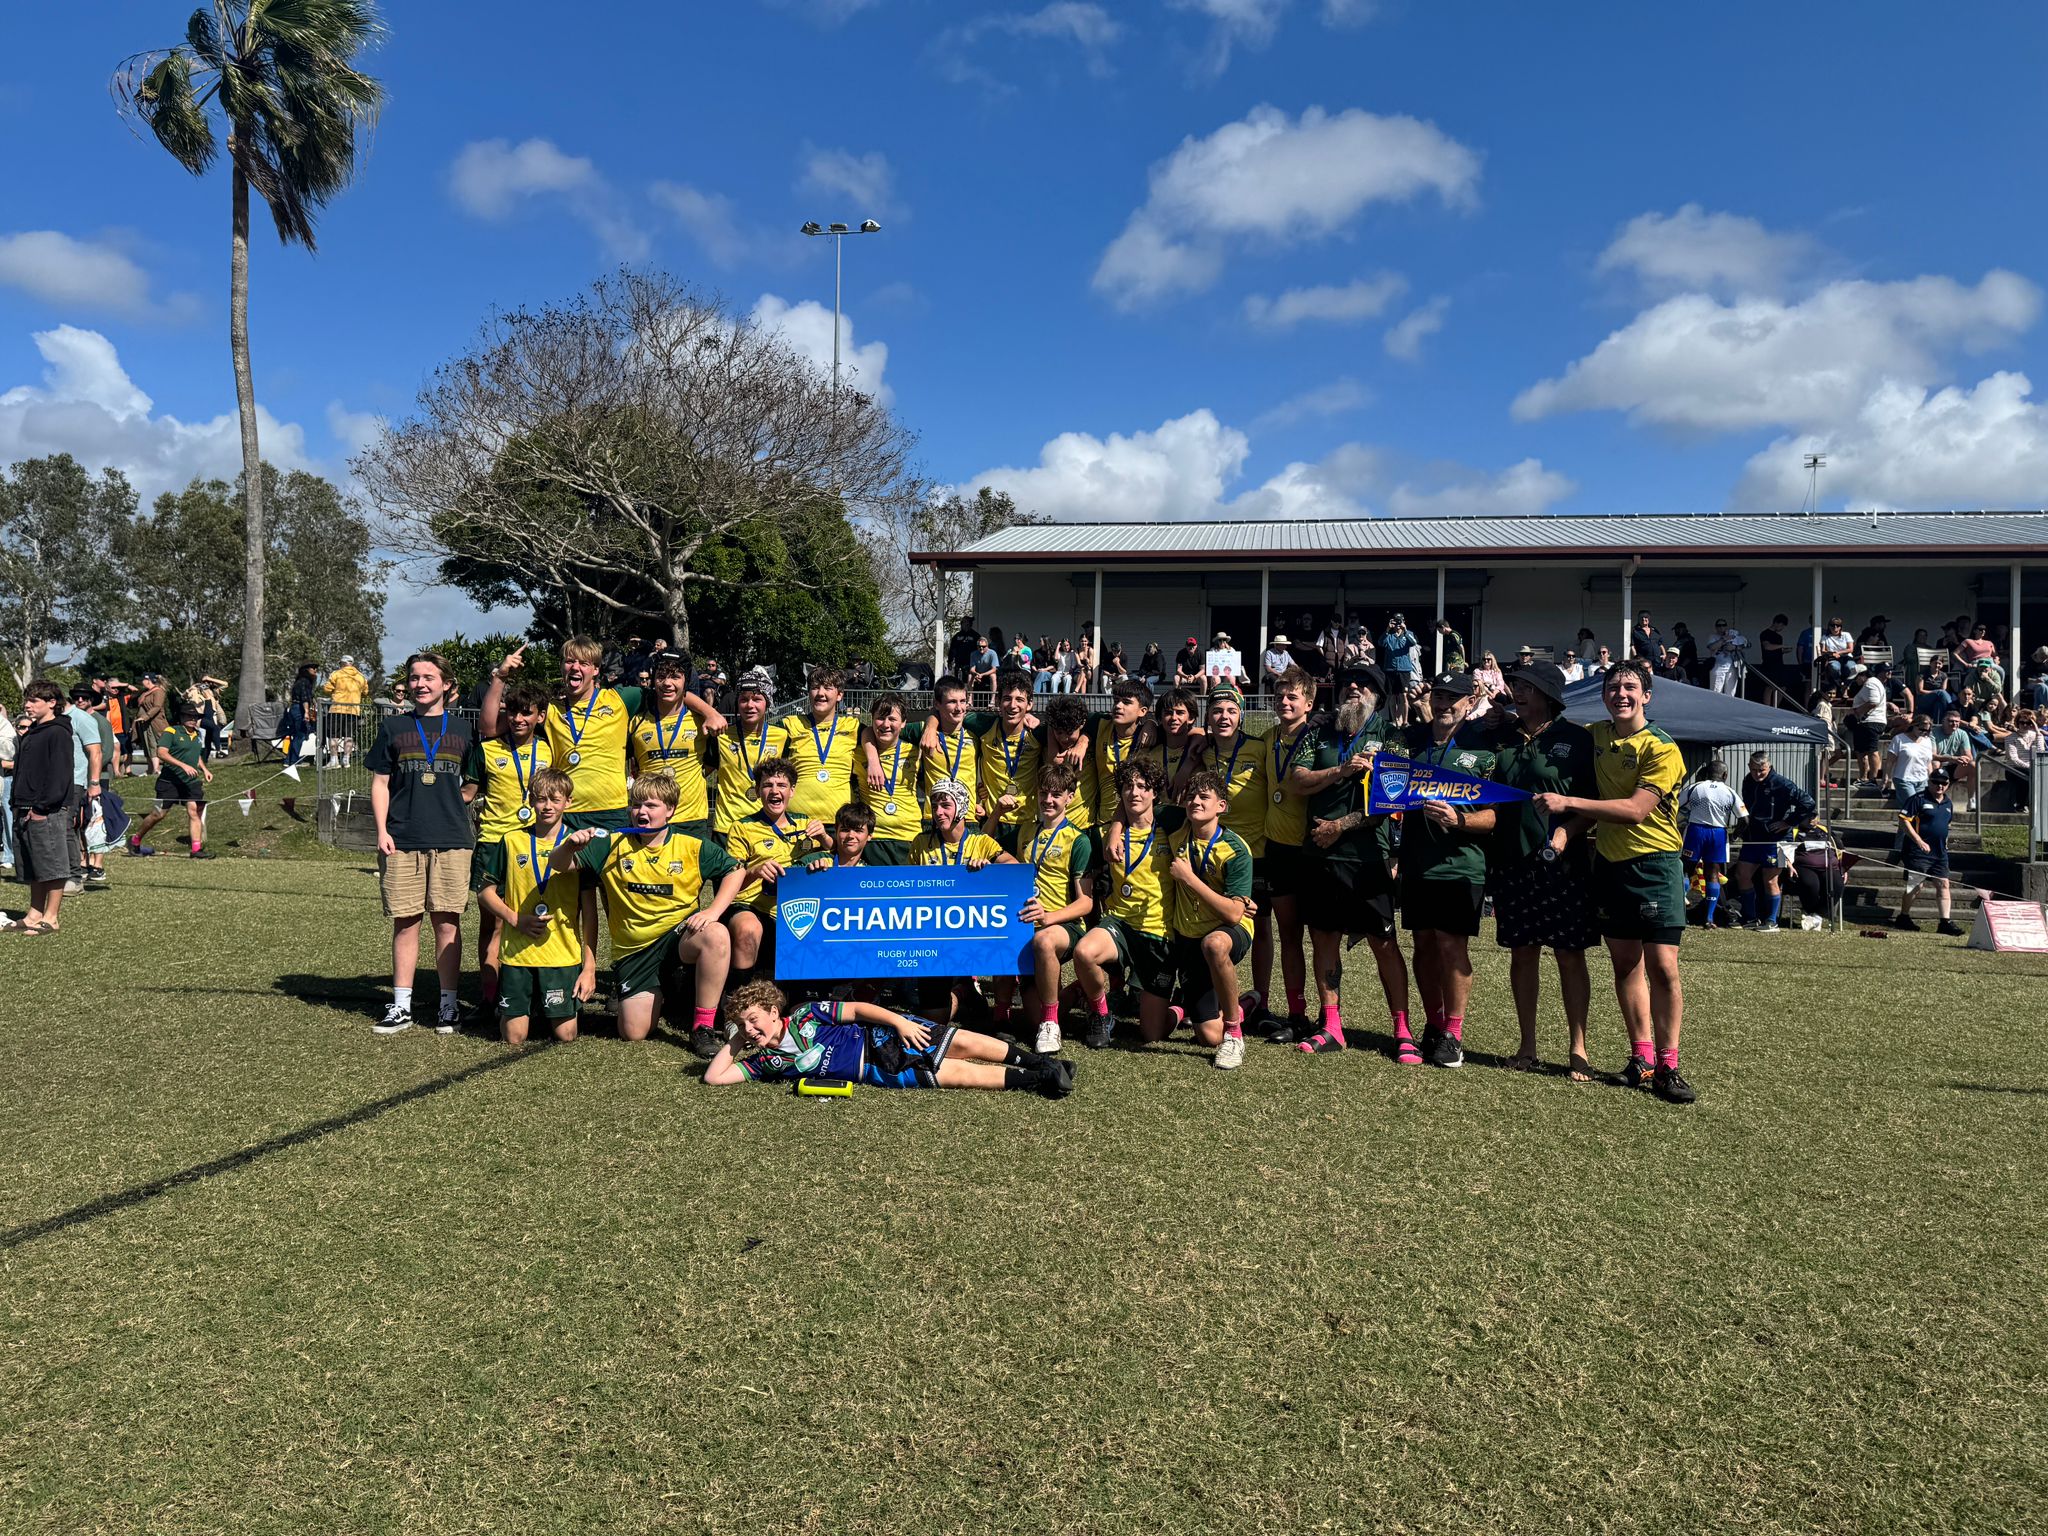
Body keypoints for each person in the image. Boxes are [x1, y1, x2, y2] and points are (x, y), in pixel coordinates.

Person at [1532, 660, 1694, 1104]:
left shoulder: (1661, 747)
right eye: (1613, 687)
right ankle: (1641, 1059)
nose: (1620, 694)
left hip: (1655, 865)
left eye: (1630, 687)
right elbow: (1551, 728)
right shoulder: (1596, 737)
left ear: (1647, 696)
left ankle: (1669, 1064)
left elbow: (1635, 809)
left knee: (1663, 967)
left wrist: (1566, 804)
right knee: (1625, 965)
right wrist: (1500, 716)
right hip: (1608, 865)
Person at [556, 772, 744, 1054]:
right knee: (633, 1032)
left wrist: (714, 911)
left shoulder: (691, 845)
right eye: (636, 805)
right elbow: (559, 865)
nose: (641, 812)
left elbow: (736, 869)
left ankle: (702, 1028)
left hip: (678, 938)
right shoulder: (610, 843)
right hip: (634, 952)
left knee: (716, 935)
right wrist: (570, 845)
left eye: (651, 806)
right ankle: (668, 992)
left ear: (670, 810)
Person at [483, 635, 721, 833]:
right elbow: (489, 727)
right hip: (567, 812)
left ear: (596, 669)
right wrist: (500, 677)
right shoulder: (550, 708)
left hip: (612, 811)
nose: (575, 667)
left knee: (612, 889)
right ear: (562, 667)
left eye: (583, 663)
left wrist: (709, 712)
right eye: (569, 661)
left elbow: (669, 691)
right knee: (571, 889)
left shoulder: (621, 698)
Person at [1488, 661, 1600, 1078]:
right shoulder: (1501, 735)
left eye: (1528, 687)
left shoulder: (1576, 738)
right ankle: (1527, 1045)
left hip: (1562, 863)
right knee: (1523, 952)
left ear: (1549, 695)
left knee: (1570, 955)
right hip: (1513, 860)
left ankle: (1578, 1048)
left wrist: (1567, 833)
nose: (1518, 691)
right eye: (1516, 684)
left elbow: (1590, 804)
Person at [1291, 666, 1408, 1059]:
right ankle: (1331, 1026)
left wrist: (1340, 825)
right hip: (1319, 856)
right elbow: (1297, 779)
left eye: (1365, 684)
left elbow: (1393, 800)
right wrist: (1340, 771)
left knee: (1384, 943)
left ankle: (1402, 1029)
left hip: (1367, 857)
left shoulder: (1391, 737)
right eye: (1348, 684)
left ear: (1379, 695)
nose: (1354, 688)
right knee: (1323, 938)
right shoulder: (1320, 731)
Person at [703, 981, 1074, 1097]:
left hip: (883, 1038)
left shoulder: (805, 1015)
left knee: (966, 1043)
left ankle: (1039, 1062)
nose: (752, 1030)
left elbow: (860, 1010)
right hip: (879, 1073)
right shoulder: (764, 1062)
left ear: (772, 1011)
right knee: (960, 1075)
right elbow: (714, 1077)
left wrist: (899, 1022)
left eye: (754, 1020)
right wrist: (737, 1040)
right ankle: (1039, 1079)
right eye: (744, 1026)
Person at [367, 652, 477, 1034]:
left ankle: (448, 1007)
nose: (420, 684)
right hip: (403, 839)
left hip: (452, 839)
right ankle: (401, 1006)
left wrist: (453, 799)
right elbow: (380, 783)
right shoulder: (394, 726)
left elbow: (475, 779)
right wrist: (382, 830)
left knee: (447, 922)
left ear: (446, 683)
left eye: (429, 677)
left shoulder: (463, 729)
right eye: (414, 677)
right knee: (406, 921)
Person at [1398, 671, 1498, 1071]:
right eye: (1438, 696)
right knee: (1423, 945)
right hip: (1417, 863)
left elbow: (1494, 817)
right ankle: (1435, 1024)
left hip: (1461, 867)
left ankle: (1453, 1034)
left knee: (1451, 947)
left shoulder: (1484, 748)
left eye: (1454, 697)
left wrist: (1459, 820)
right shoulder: (1411, 742)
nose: (1445, 704)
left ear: (1470, 702)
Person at [476, 767, 599, 1045]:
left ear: (568, 802)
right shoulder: (511, 840)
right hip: (518, 953)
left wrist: (589, 967)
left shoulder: (581, 844)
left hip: (561, 955)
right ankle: (522, 1004)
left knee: (566, 1035)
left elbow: (590, 915)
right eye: (541, 799)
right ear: (530, 801)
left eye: (555, 800)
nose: (547, 806)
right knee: (514, 1037)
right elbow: (485, 892)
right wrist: (514, 918)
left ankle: (543, 1005)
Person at [1071, 759, 1179, 1051]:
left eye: (1143, 787)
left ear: (1155, 792)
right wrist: (1116, 828)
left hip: (1159, 935)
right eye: (1128, 786)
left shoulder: (1172, 823)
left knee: (1151, 1035)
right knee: (1084, 951)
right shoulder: (1104, 835)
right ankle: (1101, 1015)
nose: (1135, 793)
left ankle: (1182, 1006)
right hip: (1120, 925)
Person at [1155, 771, 1257, 1070]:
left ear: (1221, 806)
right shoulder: (1176, 823)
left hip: (1227, 931)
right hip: (1186, 935)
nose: (1195, 802)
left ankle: (1235, 1034)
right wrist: (1114, 830)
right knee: (1208, 1036)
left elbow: (1235, 914)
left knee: (1214, 945)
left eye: (1204, 797)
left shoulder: (1236, 849)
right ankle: (1239, 1004)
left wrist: (1188, 879)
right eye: (1191, 796)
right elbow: (1136, 804)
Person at [463, 681, 552, 1012]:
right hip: (493, 845)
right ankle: (490, 996)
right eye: (512, 711)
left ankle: (532, 990)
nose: (517, 719)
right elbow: (467, 793)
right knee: (494, 923)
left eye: (526, 713)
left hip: (533, 844)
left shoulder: (549, 749)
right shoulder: (486, 750)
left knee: (537, 915)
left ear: (539, 717)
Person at [1184, 683, 1270, 1022]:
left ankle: (1260, 999)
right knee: (1208, 918)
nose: (1224, 717)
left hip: (1256, 851)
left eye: (1231, 711)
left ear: (1241, 716)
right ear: (1208, 716)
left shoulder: (1259, 748)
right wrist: (1193, 747)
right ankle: (1206, 996)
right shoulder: (1202, 750)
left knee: (1260, 926)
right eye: (1217, 711)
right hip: (1214, 853)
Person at [724, 756, 825, 991]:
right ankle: (738, 996)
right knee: (749, 928)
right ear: (758, 791)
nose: (774, 791)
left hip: (797, 906)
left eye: (781, 785)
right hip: (751, 904)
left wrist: (824, 838)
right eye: (767, 785)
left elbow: (833, 854)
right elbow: (730, 879)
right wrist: (755, 871)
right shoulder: (742, 827)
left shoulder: (805, 823)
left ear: (792, 791)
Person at [1015, 763, 1094, 1054]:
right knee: (1029, 1020)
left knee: (1044, 940)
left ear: (1070, 797)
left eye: (1056, 795)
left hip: (1063, 926)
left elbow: (1086, 902)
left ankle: (1052, 1025)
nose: (1048, 800)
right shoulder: (1025, 831)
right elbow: (992, 852)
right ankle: (1072, 993)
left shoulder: (1079, 840)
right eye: (1044, 793)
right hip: (1025, 925)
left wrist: (1049, 917)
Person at [1258, 666, 1318, 1042]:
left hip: (1312, 850)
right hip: (1277, 850)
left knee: (1322, 938)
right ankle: (1297, 1015)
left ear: (1309, 703)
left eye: (1292, 696)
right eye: (1280, 696)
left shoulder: (1319, 739)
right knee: (1290, 936)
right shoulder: (1266, 739)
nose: (1284, 702)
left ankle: (1330, 1018)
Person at [9, 682, 75, 934]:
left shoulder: (58, 732)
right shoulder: (33, 731)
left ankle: (52, 916)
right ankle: (33, 914)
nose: (28, 705)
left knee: (52, 864)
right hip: (23, 806)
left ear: (51, 703)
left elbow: (60, 774)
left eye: (35, 700)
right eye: (28, 700)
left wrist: (41, 808)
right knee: (32, 865)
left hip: (46, 810)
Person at [776, 666, 876, 826]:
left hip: (840, 822)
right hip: (797, 820)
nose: (820, 693)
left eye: (828, 688)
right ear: (809, 693)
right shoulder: (790, 724)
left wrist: (873, 760)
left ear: (839, 695)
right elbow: (761, 731)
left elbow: (873, 732)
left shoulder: (852, 726)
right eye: (815, 688)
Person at [627, 655, 714, 835]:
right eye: (661, 676)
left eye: (675, 677)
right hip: (650, 819)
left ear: (686, 682)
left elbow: (711, 764)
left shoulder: (702, 722)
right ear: (653, 680)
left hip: (692, 820)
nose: (667, 683)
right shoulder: (636, 722)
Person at [1730, 752, 1815, 934]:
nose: (1757, 774)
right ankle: (1751, 917)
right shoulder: (1748, 781)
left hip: (1776, 839)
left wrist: (1789, 822)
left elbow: (1808, 803)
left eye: (1761, 770)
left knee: (1770, 879)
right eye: (1753, 770)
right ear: (1748, 767)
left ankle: (1771, 921)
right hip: (1753, 837)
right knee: (1742, 874)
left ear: (1769, 767)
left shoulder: (1782, 783)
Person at [964, 670, 1043, 855]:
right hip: (992, 821)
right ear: (998, 702)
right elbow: (947, 712)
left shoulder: (1039, 733)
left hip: (1027, 825)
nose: (1012, 705)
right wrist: (932, 725)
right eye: (1007, 698)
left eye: (1020, 700)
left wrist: (1082, 742)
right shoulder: (983, 725)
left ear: (1030, 704)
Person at [126, 699, 215, 860]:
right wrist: (183, 766)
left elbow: (196, 756)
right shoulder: (172, 732)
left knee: (194, 812)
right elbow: (161, 753)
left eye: (195, 717)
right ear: (181, 717)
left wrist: (205, 769)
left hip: (190, 782)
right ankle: (135, 840)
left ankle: (196, 850)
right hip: (169, 781)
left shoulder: (198, 735)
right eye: (188, 716)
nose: (192, 719)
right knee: (158, 815)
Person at [708, 668, 777, 839]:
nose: (750, 705)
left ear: (767, 702)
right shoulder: (721, 737)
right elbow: (701, 773)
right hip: (727, 827)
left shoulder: (782, 736)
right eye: (744, 699)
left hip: (765, 828)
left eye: (757, 699)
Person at [857, 693, 924, 865]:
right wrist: (872, 759)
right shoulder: (857, 753)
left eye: (892, 719)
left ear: (903, 723)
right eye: (880, 718)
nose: (885, 724)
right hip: (873, 839)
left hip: (910, 836)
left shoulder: (914, 751)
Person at [1894, 770, 1963, 935]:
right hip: (1917, 851)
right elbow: (1904, 820)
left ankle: (1945, 922)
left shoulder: (1948, 803)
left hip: (1940, 852)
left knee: (1944, 884)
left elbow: (1946, 825)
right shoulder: (1917, 799)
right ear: (1929, 782)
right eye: (1936, 782)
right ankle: (1904, 916)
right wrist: (1918, 840)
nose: (1940, 786)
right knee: (1916, 885)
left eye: (1944, 783)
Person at [1678, 760, 1742, 930]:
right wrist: (1734, 836)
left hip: (1696, 831)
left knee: (1685, 870)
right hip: (1718, 833)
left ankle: (1678, 914)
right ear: (1725, 775)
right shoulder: (1730, 792)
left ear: (1706, 773)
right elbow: (1745, 819)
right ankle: (1709, 918)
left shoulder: (1695, 787)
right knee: (1713, 873)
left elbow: (1675, 805)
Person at [319, 654, 369, 770]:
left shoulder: (336, 674)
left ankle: (334, 760)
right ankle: (346, 760)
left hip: (337, 708)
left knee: (334, 736)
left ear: (342, 663)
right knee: (349, 736)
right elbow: (366, 692)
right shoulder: (361, 677)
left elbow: (327, 689)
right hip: (353, 710)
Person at [1849, 664, 1892, 788]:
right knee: (1861, 751)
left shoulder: (1870, 683)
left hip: (1871, 721)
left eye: (1857, 678)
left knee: (1872, 750)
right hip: (1866, 722)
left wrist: (1857, 712)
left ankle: (1872, 779)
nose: (1856, 681)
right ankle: (1863, 777)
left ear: (1862, 675)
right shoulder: (1872, 683)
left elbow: (1873, 702)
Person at [1887, 713, 1937, 811]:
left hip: (1922, 780)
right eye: (1921, 729)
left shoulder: (1927, 741)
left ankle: (1908, 826)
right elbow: (1889, 761)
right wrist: (1886, 778)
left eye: (1927, 730)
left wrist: (1931, 779)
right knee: (1912, 805)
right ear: (1914, 726)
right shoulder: (1899, 739)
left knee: (1919, 809)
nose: (1924, 733)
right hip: (1903, 778)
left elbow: (1928, 762)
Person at [1706, 618, 1747, 695]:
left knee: (1731, 692)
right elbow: (1712, 647)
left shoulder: (1734, 635)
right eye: (1719, 625)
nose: (1721, 627)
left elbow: (1745, 645)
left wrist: (1734, 647)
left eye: (1723, 625)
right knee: (1716, 691)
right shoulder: (1713, 636)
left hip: (1733, 666)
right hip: (1718, 666)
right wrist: (1724, 639)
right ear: (1716, 627)